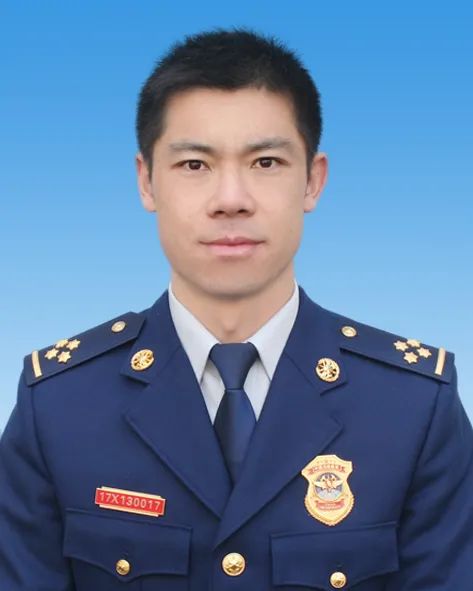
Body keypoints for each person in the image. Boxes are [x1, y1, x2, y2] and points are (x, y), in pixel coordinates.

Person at [0, 28, 472, 591]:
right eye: (194, 165)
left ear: (313, 181)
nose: (231, 199)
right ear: (146, 182)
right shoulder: (59, 406)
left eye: (266, 162)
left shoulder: (413, 408)